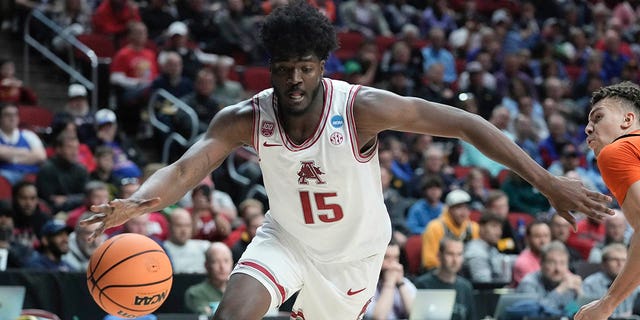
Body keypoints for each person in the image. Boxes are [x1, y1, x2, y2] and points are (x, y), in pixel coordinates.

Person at [81, 2, 613, 319]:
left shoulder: (360, 108)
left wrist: (545, 181)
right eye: (285, 68)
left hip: (355, 256)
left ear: (322, 66)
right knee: (232, 313)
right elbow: (182, 171)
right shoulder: (244, 117)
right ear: (271, 66)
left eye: (305, 69)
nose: (294, 80)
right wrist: (135, 203)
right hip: (285, 239)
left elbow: (465, 123)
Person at [576, 81, 640, 320]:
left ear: (627, 120)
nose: (588, 129)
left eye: (598, 118)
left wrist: (607, 303)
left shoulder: (618, 151)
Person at [414, 237, 477, 320]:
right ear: (439, 256)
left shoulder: (466, 287)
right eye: (450, 254)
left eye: (459, 254)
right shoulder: (423, 284)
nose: (455, 260)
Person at [517, 241, 583, 317]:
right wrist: (560, 290)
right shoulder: (528, 283)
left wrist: (579, 295)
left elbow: (571, 311)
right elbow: (536, 314)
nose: (558, 269)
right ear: (541, 263)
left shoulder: (568, 284)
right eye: (552, 263)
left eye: (562, 263)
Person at [422, 189, 479, 271]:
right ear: (449, 209)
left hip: (467, 272)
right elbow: (429, 262)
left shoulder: (473, 228)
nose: (463, 212)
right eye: (458, 208)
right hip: (441, 273)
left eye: (467, 208)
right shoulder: (435, 227)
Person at [582, 243, 639, 318]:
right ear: (603, 263)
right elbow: (587, 312)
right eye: (615, 260)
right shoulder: (590, 284)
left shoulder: (635, 282)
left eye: (624, 260)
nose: (620, 264)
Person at [365, 239, 416, 320]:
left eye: (396, 258)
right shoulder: (366, 286)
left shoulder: (405, 283)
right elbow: (379, 317)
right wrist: (389, 284)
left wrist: (400, 284)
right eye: (386, 257)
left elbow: (416, 315)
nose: (393, 264)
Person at [463, 212, 515, 284]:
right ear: (481, 227)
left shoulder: (491, 248)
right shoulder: (476, 251)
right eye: (494, 226)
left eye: (500, 228)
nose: (498, 232)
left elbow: (506, 260)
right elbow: (484, 285)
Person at [184, 242, 233, 317]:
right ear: (207, 265)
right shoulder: (195, 293)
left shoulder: (240, 291)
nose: (222, 267)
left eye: (226, 261)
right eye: (215, 262)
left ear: (232, 263)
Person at [163, 207, 210, 273]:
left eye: (187, 225)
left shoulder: (204, 247)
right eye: (179, 225)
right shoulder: (162, 250)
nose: (184, 230)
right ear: (169, 227)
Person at [511, 220, 552, 287]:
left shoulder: (554, 258)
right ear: (527, 239)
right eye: (537, 236)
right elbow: (537, 289)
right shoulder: (523, 262)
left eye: (546, 236)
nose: (543, 241)